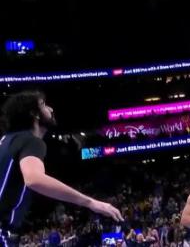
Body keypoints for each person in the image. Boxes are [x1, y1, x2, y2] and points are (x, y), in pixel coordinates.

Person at [0, 91, 123, 246]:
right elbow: (34, 179)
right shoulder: (31, 141)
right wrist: (91, 202)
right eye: (44, 105)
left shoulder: (6, 141)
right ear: (34, 114)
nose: (50, 109)